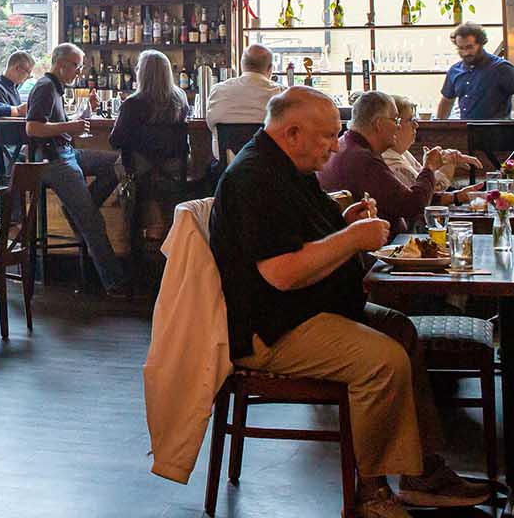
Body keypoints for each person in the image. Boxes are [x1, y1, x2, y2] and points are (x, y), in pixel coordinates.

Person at [209, 86, 489, 517]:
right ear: (293, 132)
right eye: (327, 136)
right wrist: (351, 238)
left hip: (306, 309)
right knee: (382, 360)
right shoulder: (254, 178)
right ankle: (371, 494)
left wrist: (344, 222)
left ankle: (421, 471)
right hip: (271, 329)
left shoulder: (287, 165)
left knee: (401, 328)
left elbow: (298, 237)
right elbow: (280, 273)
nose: (337, 145)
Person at [25, 42, 128, 297]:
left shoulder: (55, 88)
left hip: (66, 153)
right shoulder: (46, 87)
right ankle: (114, 283)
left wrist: (81, 116)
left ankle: (79, 210)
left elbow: (57, 125)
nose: (79, 72)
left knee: (117, 162)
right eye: (77, 67)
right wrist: (68, 128)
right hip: (52, 161)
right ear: (61, 65)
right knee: (92, 222)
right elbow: (33, 128)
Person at [319, 91, 446, 233]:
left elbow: (398, 196)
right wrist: (429, 167)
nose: (398, 127)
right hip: (385, 249)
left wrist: (456, 196)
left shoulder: (347, 145)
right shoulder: (362, 159)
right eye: (395, 120)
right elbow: (412, 205)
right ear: (379, 124)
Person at [111, 50, 192, 267]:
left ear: (142, 74)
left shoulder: (132, 104)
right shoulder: (180, 99)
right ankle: (173, 260)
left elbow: (115, 141)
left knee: (119, 169)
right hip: (174, 178)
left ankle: (132, 247)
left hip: (140, 179)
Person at [381, 96, 478, 203]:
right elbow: (425, 197)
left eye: (415, 119)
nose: (416, 125)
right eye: (410, 120)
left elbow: (427, 184)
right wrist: (443, 164)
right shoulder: (389, 159)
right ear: (394, 125)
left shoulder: (402, 153)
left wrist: (446, 160)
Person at [436, 23, 514, 120]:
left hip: (497, 132)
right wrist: (438, 126)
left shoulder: (500, 68)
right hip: (467, 131)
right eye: (461, 48)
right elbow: (447, 101)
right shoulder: (454, 71)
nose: (466, 53)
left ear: (480, 44)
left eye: (470, 47)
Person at [205, 44, 284, 139]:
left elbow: (211, 125)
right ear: (270, 68)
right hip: (268, 153)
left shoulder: (218, 90)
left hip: (228, 153)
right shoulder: (281, 94)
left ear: (242, 65)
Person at [0, 50, 36, 179]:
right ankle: (12, 198)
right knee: (26, 164)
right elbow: (0, 123)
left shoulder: (13, 89)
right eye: (28, 73)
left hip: (11, 143)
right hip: (0, 145)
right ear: (17, 68)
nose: (28, 77)